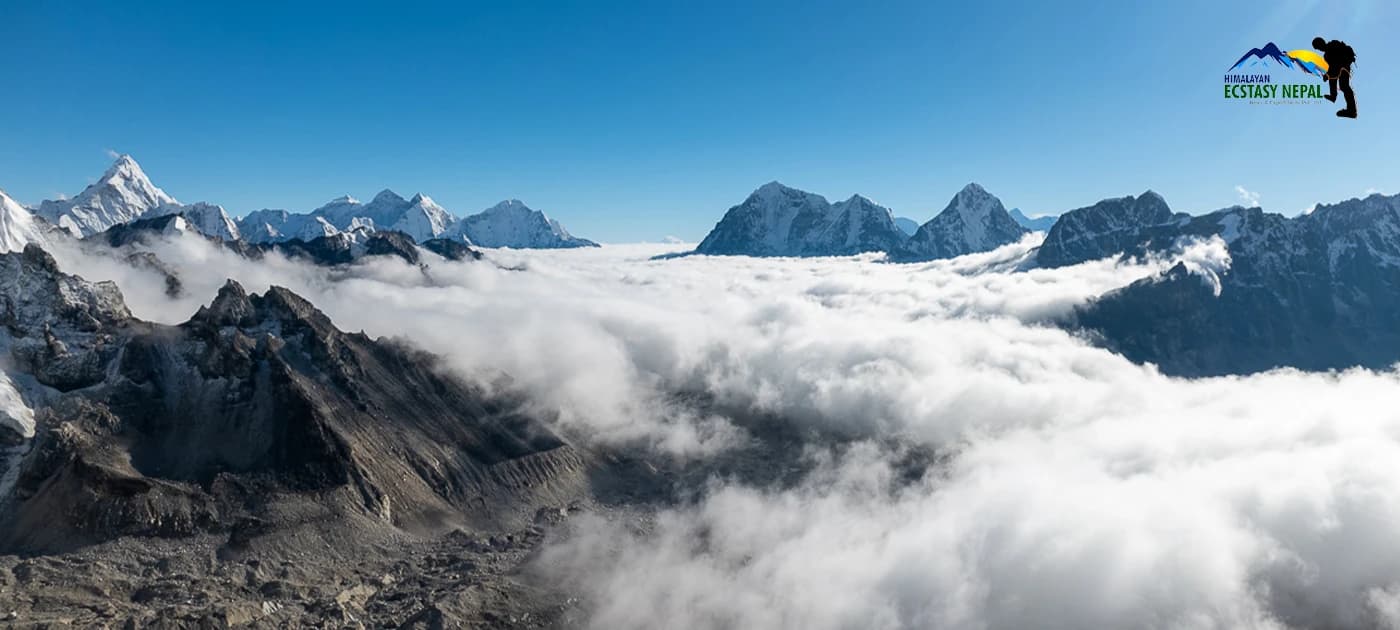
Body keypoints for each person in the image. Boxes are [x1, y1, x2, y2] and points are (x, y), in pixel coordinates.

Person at [1313, 37, 1356, 118]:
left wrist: (1328, 75)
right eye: (1318, 48)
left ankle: (1351, 110)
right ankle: (1333, 96)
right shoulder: (1326, 55)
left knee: (1344, 86)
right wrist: (1328, 75)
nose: (1320, 49)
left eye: (1319, 47)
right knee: (1333, 78)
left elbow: (1335, 64)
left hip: (1344, 65)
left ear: (1322, 43)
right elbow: (1332, 67)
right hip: (1340, 66)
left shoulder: (1332, 45)